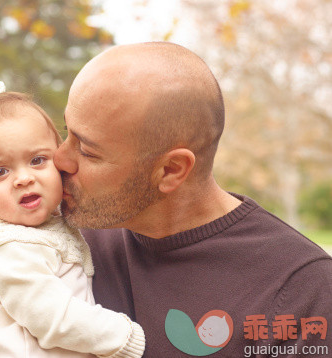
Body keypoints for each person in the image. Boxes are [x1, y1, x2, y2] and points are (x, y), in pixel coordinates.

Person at [53, 42, 332, 357]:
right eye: (67, 132)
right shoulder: (59, 239)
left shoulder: (301, 290)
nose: (58, 159)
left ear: (171, 170)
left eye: (87, 150)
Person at [0, 54, 145, 358]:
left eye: (37, 160)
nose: (23, 179)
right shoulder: (7, 248)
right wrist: (126, 338)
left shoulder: (43, 227)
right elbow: (54, 319)